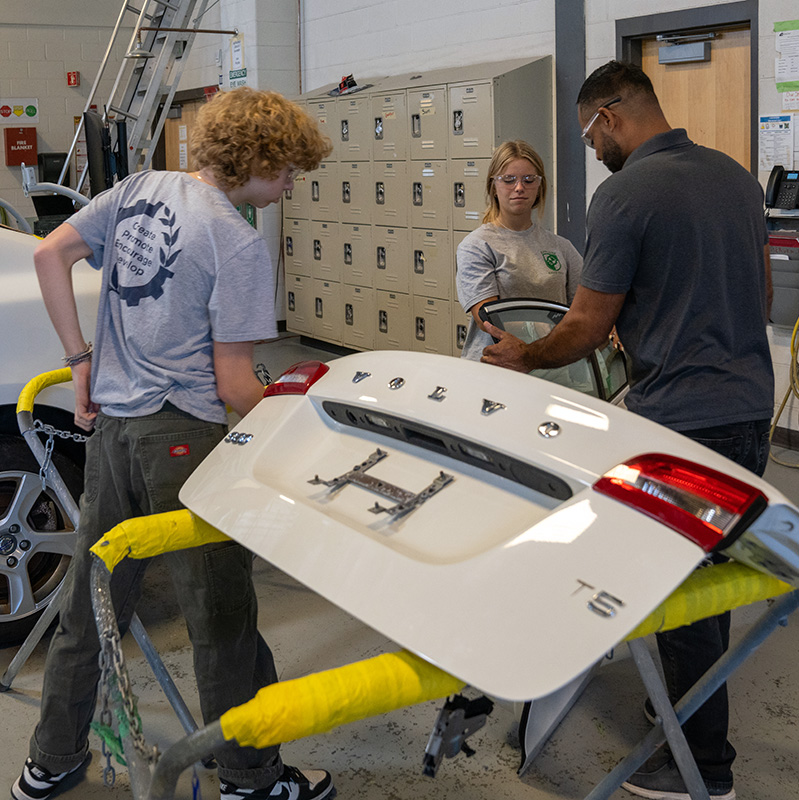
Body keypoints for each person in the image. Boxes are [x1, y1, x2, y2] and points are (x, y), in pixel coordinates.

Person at [12, 87, 336, 800]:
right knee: (221, 616)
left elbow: (50, 256)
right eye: (286, 172)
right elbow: (231, 385)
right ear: (258, 160)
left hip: (114, 437)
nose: (288, 187)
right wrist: (307, 411)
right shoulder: (235, 242)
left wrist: (80, 359)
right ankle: (251, 778)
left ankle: (49, 761)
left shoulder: (138, 187)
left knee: (92, 603)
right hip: (181, 441)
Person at [482, 61, 773, 800]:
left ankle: (699, 766)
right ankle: (678, 704)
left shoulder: (625, 194)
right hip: (746, 410)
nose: (592, 151)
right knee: (709, 582)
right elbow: (759, 293)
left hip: (680, 424)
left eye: (588, 136)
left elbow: (583, 323)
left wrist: (525, 354)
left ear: (609, 117)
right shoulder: (737, 178)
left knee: (675, 589)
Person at [455, 140, 582, 362]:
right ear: (493, 186)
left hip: (551, 368)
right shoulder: (477, 245)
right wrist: (554, 332)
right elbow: (488, 319)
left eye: (529, 180)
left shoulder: (561, 247)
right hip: (496, 368)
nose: (519, 187)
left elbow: (583, 308)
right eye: (509, 180)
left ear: (539, 186)